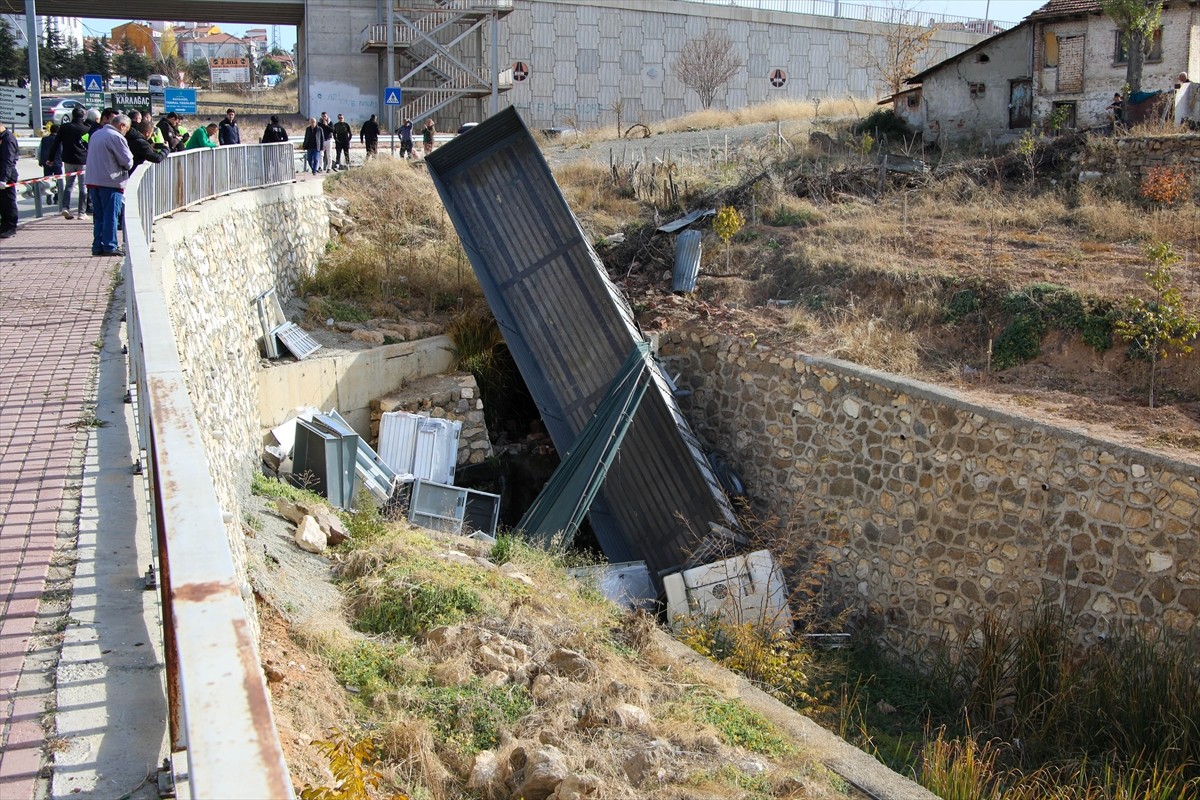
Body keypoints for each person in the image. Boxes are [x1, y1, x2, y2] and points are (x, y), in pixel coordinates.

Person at [84, 113, 134, 257]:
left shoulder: (96, 134)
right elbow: (128, 161)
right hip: (110, 182)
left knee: (99, 216)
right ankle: (110, 245)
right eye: (127, 129)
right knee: (111, 215)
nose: (126, 132)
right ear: (122, 125)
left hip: (93, 181)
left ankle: (97, 245)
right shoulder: (116, 137)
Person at [53, 106, 90, 219]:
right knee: (83, 187)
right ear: (83, 116)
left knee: (69, 185)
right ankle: (81, 213)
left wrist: (50, 158)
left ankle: (65, 208)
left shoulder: (65, 128)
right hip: (82, 160)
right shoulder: (85, 129)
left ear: (72, 116)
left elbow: (56, 143)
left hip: (68, 160)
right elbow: (87, 145)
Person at [0, 120, 18, 239]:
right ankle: (4, 225)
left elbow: (8, 160)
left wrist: (4, 179)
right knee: (2, 204)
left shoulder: (8, 139)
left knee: (8, 203)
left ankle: (11, 227)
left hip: (7, 177)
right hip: (2, 175)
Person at [38, 123, 64, 206]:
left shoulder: (44, 139)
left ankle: (48, 195)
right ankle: (57, 197)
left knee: (47, 180)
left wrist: (40, 161)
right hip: (57, 162)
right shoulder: (60, 139)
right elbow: (62, 150)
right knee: (58, 181)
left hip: (46, 163)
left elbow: (39, 150)